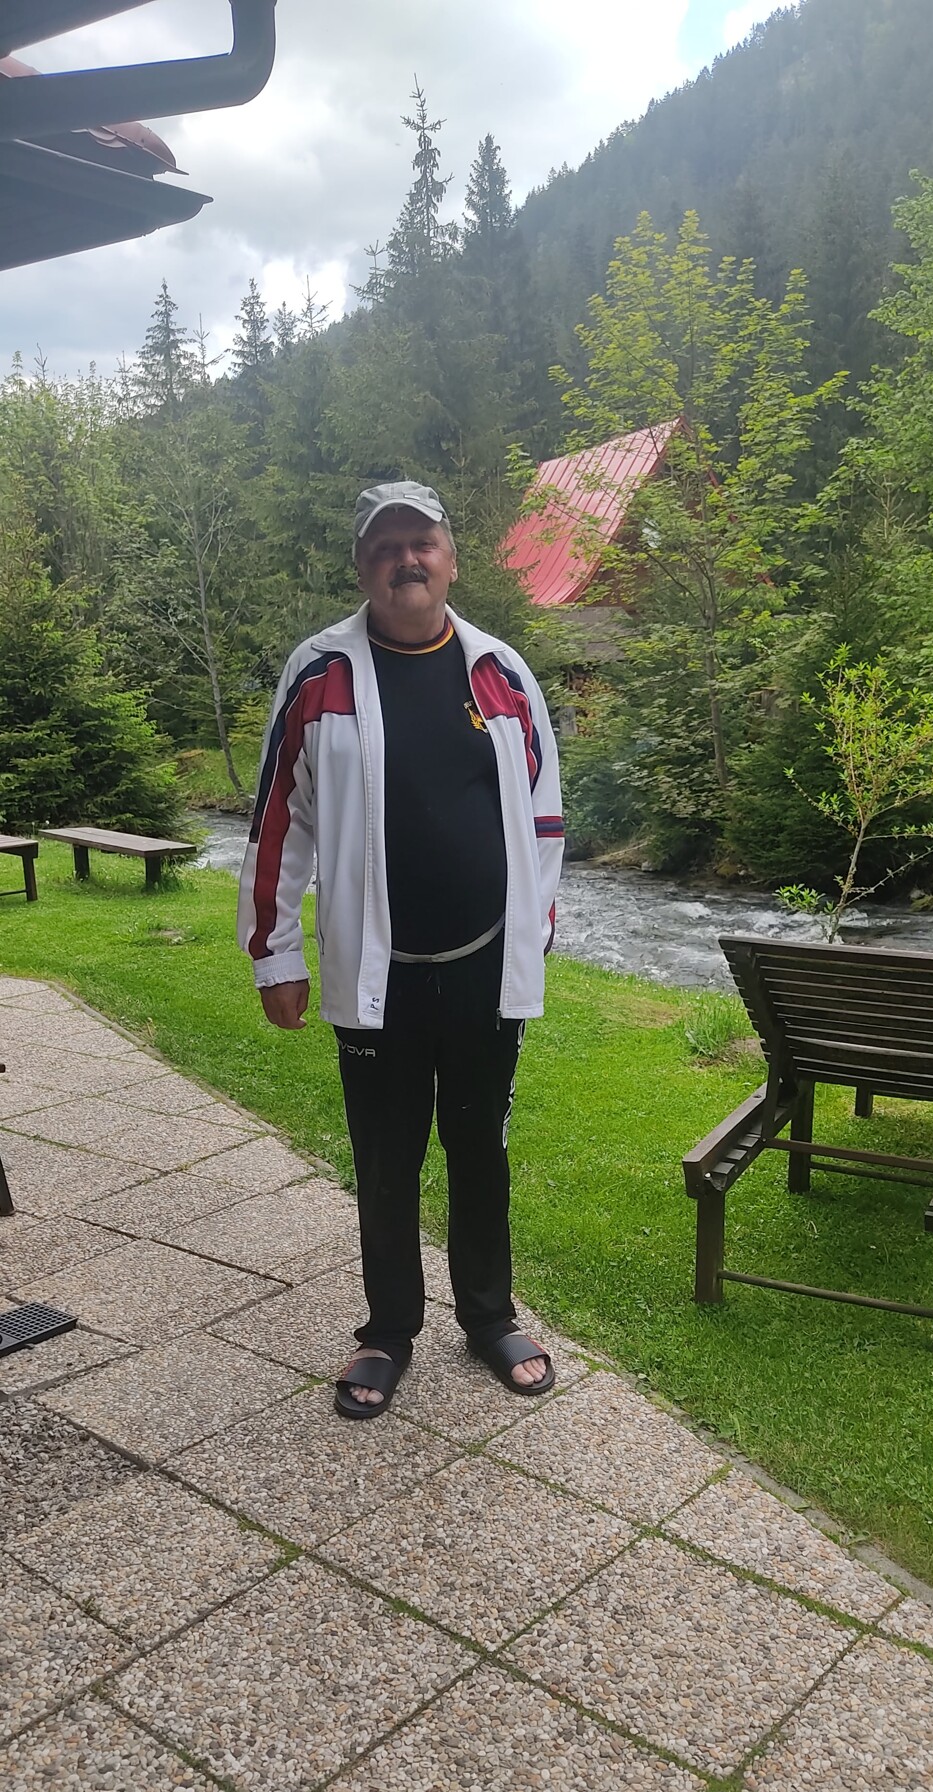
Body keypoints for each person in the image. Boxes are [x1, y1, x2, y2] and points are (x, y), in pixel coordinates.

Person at [238, 480, 564, 1419]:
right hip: (374, 973)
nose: (404, 560)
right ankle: (387, 1331)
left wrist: (534, 938)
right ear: (361, 566)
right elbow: (277, 822)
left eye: (420, 542)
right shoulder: (319, 673)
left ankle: (489, 1317)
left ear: (450, 559)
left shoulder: (500, 671)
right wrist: (275, 954)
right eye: (385, 546)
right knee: (386, 1158)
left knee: (479, 1147)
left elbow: (543, 818)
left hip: (484, 965)